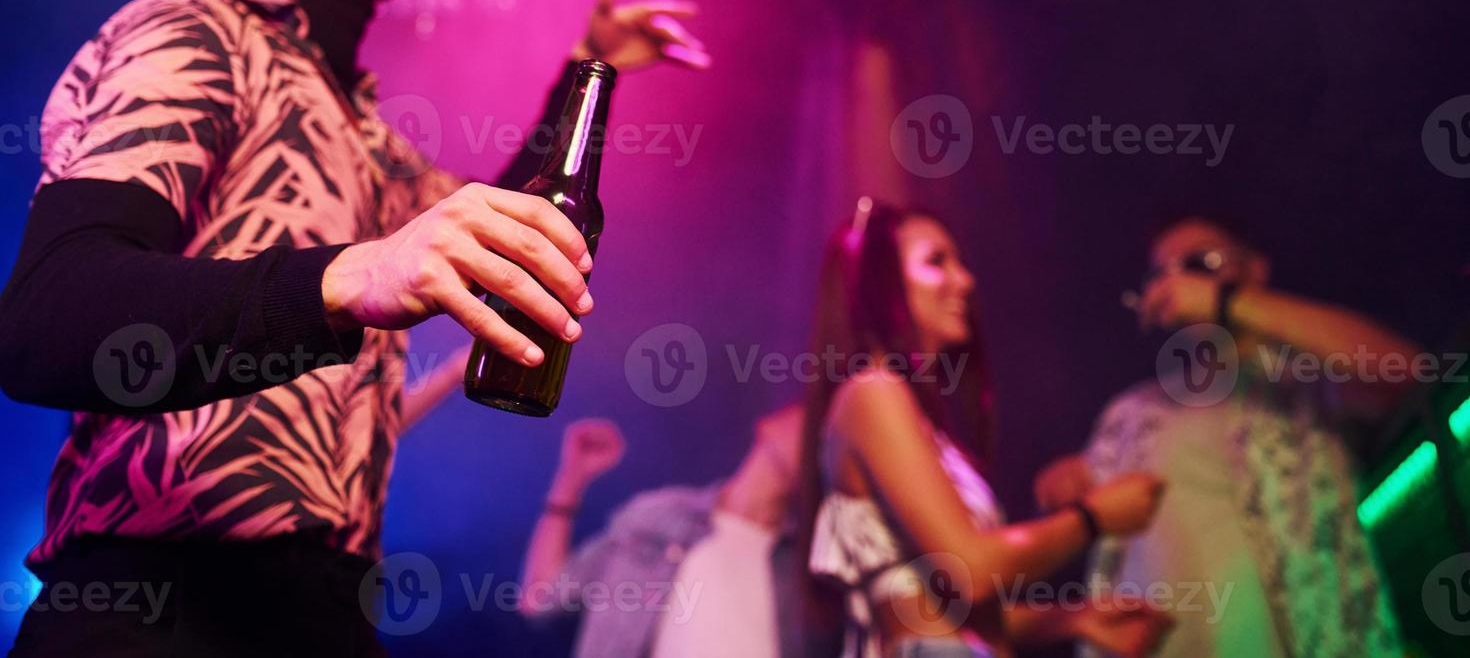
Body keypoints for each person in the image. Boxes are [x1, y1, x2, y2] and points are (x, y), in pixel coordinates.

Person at [0, 0, 708, 656]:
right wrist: (356, 272)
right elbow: (48, 315)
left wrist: (586, 73)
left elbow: (500, 222)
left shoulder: (361, 129)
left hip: (328, 618)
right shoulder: (191, 32)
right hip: (159, 613)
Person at [801, 199, 1175, 658]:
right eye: (937, 262)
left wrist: (1073, 616)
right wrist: (1093, 516)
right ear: (882, 284)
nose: (966, 280)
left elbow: (951, 609)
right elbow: (972, 570)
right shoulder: (872, 392)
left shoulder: (915, 419)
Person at [1033, 215, 1413, 657]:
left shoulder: (1304, 380)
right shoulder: (1132, 411)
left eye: (1199, 262)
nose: (1176, 281)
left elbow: (1407, 372)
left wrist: (1226, 303)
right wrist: (1063, 484)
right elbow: (1075, 499)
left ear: (1254, 270)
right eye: (1162, 272)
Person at [518, 405, 838, 658]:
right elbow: (541, 598)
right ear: (771, 422)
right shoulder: (660, 516)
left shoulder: (814, 565)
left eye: (831, 431)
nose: (820, 432)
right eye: (814, 415)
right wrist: (570, 480)